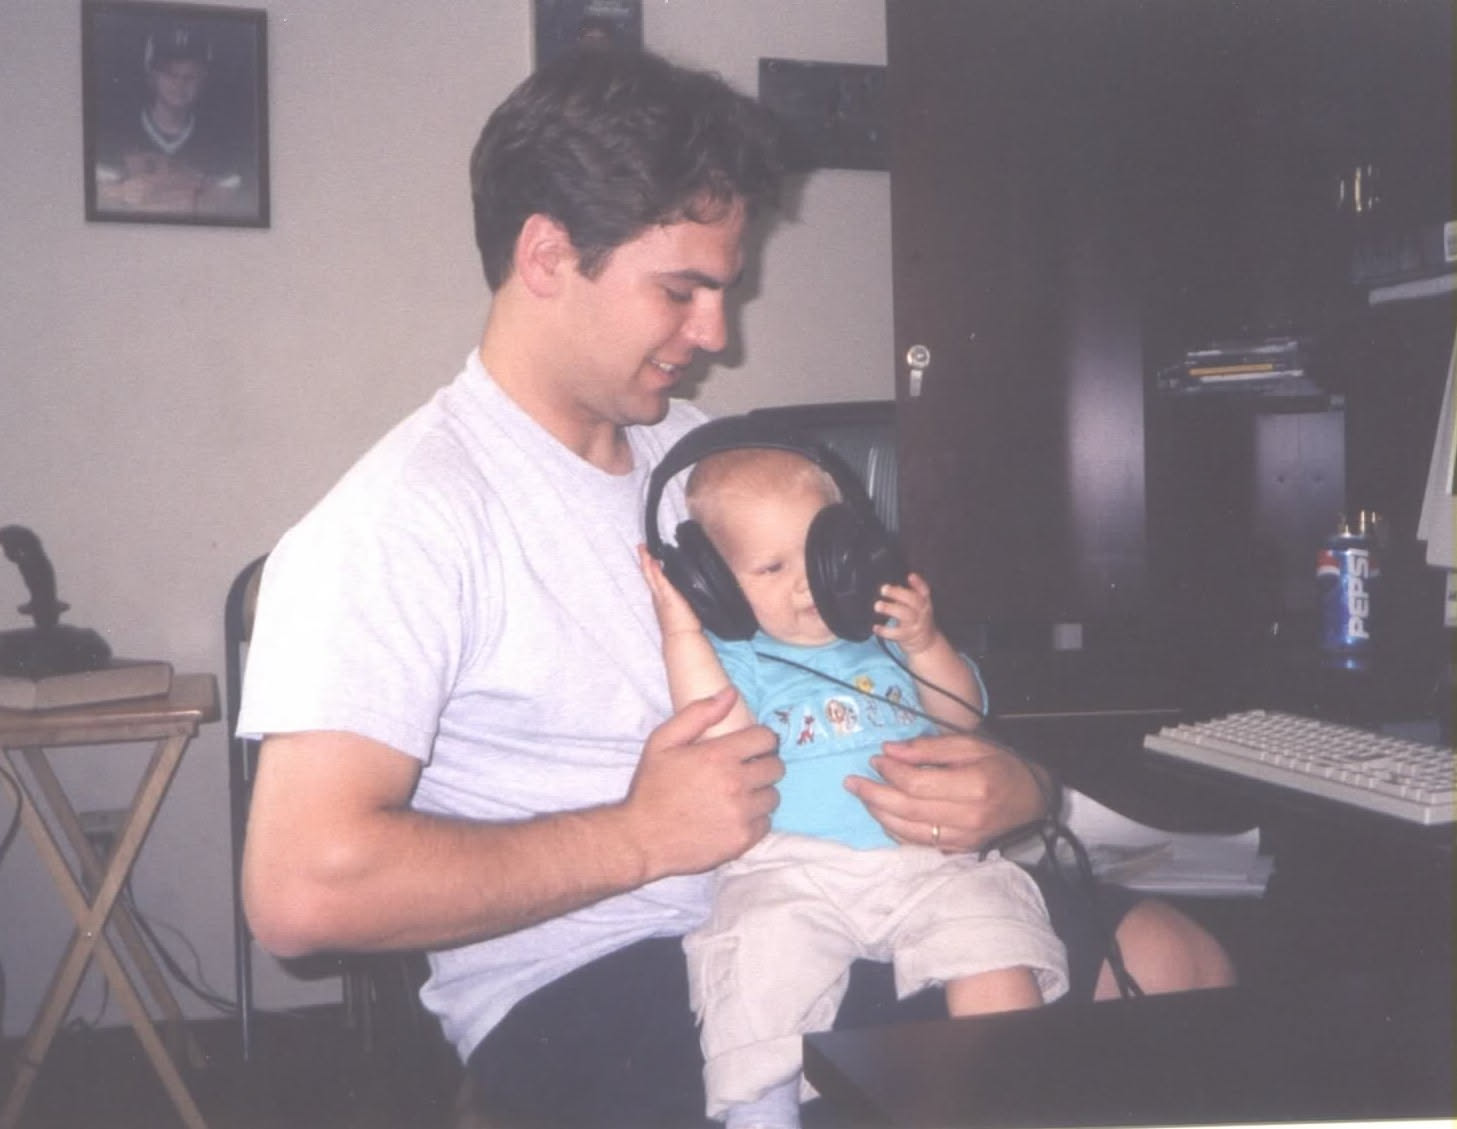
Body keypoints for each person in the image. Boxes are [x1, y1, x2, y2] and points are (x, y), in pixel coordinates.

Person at [239, 46, 1233, 1129]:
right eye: (682, 291)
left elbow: (875, 679)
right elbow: (300, 890)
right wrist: (640, 834)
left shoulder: (708, 468)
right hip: (596, 973)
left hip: (848, 884)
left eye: (724, 290)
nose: (717, 334)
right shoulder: (399, 519)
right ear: (546, 255)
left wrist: (1013, 787)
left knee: (1175, 962)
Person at [640, 436, 1068, 1128]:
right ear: (713, 584)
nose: (803, 584)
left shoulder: (882, 633)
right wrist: (683, 635)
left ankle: (1006, 1090)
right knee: (757, 969)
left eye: (820, 557)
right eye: (771, 567)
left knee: (991, 928)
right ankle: (762, 1115)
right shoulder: (739, 656)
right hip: (791, 870)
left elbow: (962, 714)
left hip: (925, 860)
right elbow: (721, 734)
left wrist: (925, 643)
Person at [92, 23, 254, 218]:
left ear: (203, 80)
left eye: (191, 75)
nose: (180, 83)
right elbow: (102, 200)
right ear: (152, 75)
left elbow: (223, 206)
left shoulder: (221, 142)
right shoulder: (117, 133)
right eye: (170, 73)